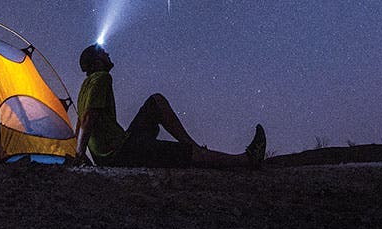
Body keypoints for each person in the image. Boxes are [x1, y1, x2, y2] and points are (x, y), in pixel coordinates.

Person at [73, 43, 266, 169]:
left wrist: (79, 151)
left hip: (114, 151)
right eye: (103, 52)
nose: (107, 53)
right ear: (98, 60)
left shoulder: (85, 87)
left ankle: (191, 146)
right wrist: (80, 154)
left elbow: (80, 121)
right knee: (185, 154)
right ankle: (244, 161)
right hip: (120, 153)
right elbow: (89, 117)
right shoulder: (102, 78)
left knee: (155, 102)